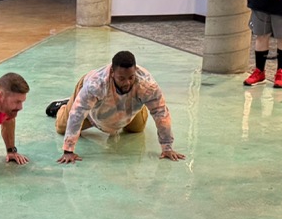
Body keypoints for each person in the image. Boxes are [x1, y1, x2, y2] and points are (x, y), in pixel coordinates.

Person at [53, 50, 184, 164]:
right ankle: (65, 105)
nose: (127, 83)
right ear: (112, 72)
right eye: (121, 78)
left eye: (131, 77)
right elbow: (78, 113)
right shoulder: (95, 84)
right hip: (92, 109)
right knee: (62, 127)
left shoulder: (147, 85)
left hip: (126, 106)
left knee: (137, 129)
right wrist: (68, 150)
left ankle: (137, 103)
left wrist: (167, 147)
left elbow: (161, 113)